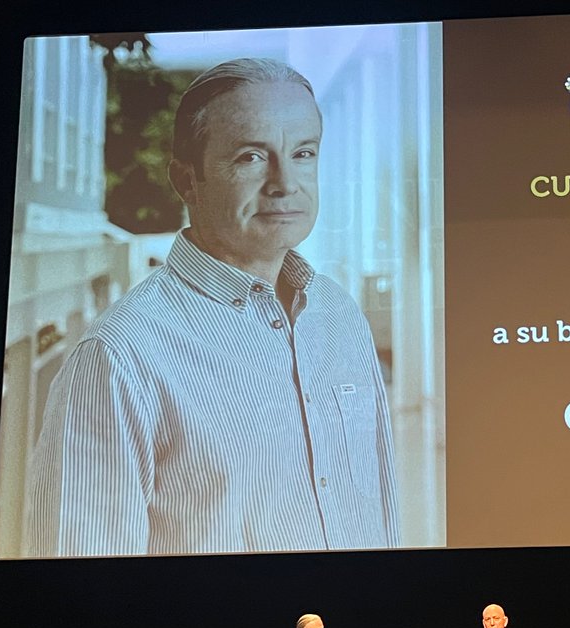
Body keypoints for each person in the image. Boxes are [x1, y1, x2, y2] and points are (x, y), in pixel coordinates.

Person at [25, 57, 399, 557]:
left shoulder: (338, 314)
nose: (285, 182)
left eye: (304, 153)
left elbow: (382, 518)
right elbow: (81, 593)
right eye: (250, 157)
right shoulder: (117, 358)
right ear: (187, 180)